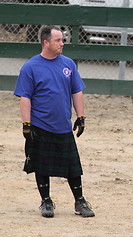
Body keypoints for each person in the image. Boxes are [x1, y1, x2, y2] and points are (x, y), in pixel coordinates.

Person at [14, 25, 95, 218]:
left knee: (73, 167)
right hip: (40, 125)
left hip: (63, 126)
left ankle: (80, 201)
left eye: (62, 40)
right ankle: (46, 202)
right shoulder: (30, 67)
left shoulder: (68, 64)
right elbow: (25, 97)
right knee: (41, 165)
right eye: (58, 40)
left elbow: (77, 91)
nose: (62, 43)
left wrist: (81, 116)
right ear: (46, 42)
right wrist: (26, 124)